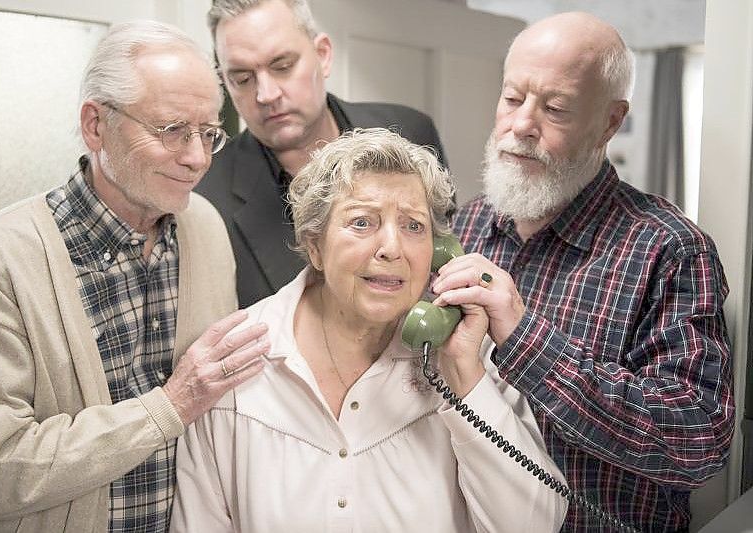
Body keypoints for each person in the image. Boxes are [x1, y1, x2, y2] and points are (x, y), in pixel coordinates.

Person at [0, 20, 270, 533]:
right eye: (171, 131)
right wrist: (170, 406)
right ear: (96, 125)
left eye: (208, 135)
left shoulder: (206, 229)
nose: (195, 159)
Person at [170, 128, 568, 533]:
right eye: (362, 222)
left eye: (414, 226)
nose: (392, 248)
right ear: (315, 246)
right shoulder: (236, 360)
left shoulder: (463, 354)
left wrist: (465, 380)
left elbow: (534, 525)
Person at [442, 11, 735, 532]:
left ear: (609, 122)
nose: (521, 125)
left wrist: (526, 338)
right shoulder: (466, 223)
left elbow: (698, 442)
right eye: (512, 98)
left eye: (555, 108)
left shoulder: (670, 249)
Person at [196, 0, 449, 309]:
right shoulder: (204, 196)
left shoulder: (411, 132)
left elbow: (442, 271)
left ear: (323, 55)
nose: (266, 94)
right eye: (242, 79)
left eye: (282, 66)